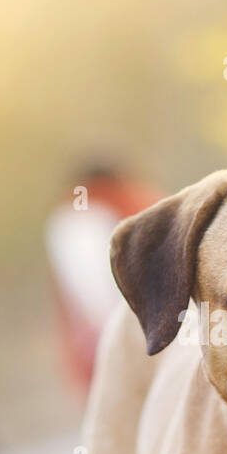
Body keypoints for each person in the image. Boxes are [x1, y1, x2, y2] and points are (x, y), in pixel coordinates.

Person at [44, 162, 164, 397]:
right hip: (137, 340)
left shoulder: (73, 215)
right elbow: (96, 291)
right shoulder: (129, 204)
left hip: (114, 345)